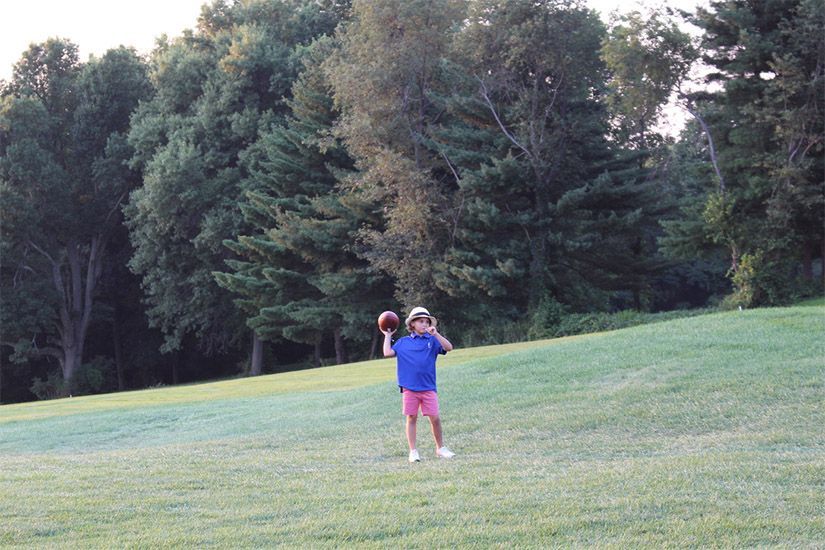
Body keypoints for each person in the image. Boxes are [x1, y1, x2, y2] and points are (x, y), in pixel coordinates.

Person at [382, 306, 456, 462]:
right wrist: (388, 335)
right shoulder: (403, 343)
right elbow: (387, 353)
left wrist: (436, 334)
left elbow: (449, 347)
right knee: (411, 417)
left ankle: (440, 448)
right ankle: (413, 451)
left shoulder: (433, 341)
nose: (424, 324)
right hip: (410, 388)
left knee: (435, 418)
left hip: (428, 387)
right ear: (412, 324)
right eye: (421, 321)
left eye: (427, 322)